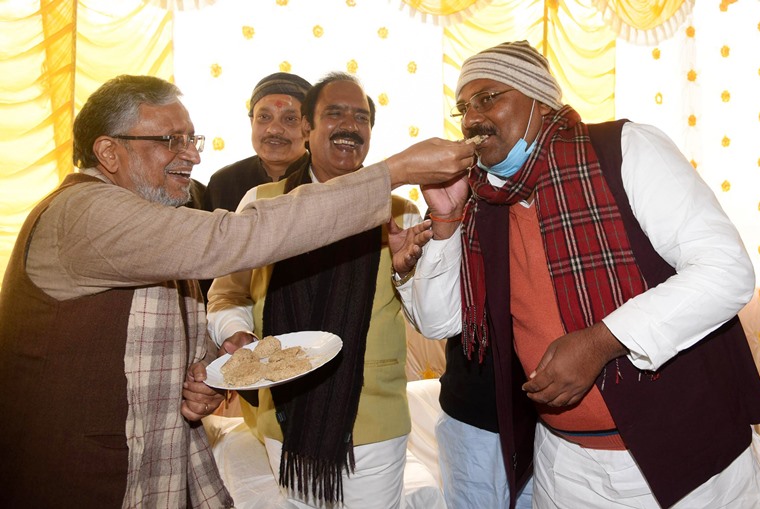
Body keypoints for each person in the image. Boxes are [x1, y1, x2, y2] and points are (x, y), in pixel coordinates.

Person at [0, 74, 475, 509]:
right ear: (108, 153)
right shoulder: (85, 213)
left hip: (161, 460)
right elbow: (234, 245)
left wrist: (202, 375)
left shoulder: (149, 221)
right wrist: (394, 170)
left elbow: (171, 322)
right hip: (80, 473)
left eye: (192, 139)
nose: (193, 156)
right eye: (171, 140)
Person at [395, 40, 760, 508]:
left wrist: (600, 342)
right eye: (463, 107)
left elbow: (726, 271)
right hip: (565, 464)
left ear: (540, 100)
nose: (471, 119)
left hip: (687, 454)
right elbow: (439, 321)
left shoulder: (624, 149)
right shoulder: (482, 197)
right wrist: (444, 219)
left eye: (488, 98)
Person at [206, 72, 427, 509]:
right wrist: (238, 335)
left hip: (375, 418)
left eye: (361, 117)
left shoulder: (400, 211)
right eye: (334, 113)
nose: (349, 125)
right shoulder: (263, 203)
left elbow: (428, 318)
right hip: (285, 415)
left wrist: (407, 273)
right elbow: (227, 294)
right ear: (307, 127)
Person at [202, 72, 312, 213]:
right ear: (251, 122)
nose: (274, 129)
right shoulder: (223, 183)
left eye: (290, 119)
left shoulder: (323, 179)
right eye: (264, 117)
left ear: (309, 127)